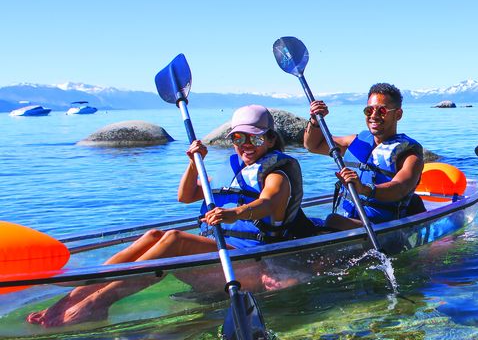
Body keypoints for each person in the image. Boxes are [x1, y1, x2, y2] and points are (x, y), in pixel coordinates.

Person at [27, 105, 305, 327]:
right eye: (238, 137)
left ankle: (98, 304)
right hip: (223, 255)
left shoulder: (277, 174)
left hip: (252, 264)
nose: (246, 145)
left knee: (174, 239)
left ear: (269, 139)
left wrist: (234, 213)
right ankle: (76, 296)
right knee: (154, 236)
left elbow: (268, 202)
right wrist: (193, 164)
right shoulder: (233, 169)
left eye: (255, 138)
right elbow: (185, 196)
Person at [304, 83, 424, 230]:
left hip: (381, 227)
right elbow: (313, 145)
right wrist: (315, 122)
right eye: (369, 110)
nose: (374, 116)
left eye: (382, 111)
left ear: (397, 114)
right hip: (351, 219)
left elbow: (400, 188)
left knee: (333, 221)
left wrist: (364, 189)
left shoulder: (410, 155)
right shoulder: (356, 141)